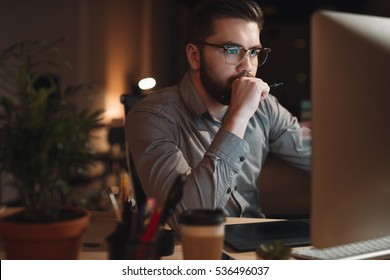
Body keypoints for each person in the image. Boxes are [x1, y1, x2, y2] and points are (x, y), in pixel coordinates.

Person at [125, 0, 311, 230]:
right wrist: (238, 117)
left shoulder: (266, 107)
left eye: (253, 52)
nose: (247, 67)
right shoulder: (151, 117)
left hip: (254, 247)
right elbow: (185, 216)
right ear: (194, 56)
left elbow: (321, 159)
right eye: (232, 50)